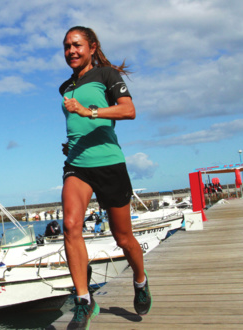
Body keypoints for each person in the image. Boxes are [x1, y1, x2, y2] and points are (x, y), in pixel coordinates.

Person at [59, 26, 152, 328]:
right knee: (71, 226)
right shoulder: (65, 87)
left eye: (76, 45)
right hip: (77, 165)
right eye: (66, 47)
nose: (71, 51)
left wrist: (90, 113)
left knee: (123, 238)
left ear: (92, 46)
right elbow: (76, 122)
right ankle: (84, 301)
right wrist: (72, 141)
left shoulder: (108, 75)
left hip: (110, 164)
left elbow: (129, 110)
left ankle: (140, 280)